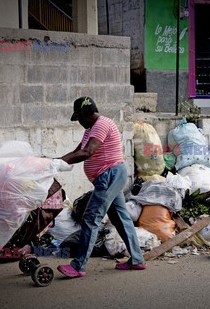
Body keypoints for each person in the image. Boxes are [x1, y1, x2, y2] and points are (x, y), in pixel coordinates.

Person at [57, 96, 146, 278]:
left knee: (91, 217)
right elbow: (77, 152)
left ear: (84, 114)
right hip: (110, 176)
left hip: (110, 175)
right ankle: (137, 260)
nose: (79, 122)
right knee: (121, 218)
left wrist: (57, 163)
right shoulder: (91, 128)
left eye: (79, 118)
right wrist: (55, 162)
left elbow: (86, 152)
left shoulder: (101, 124)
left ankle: (78, 265)